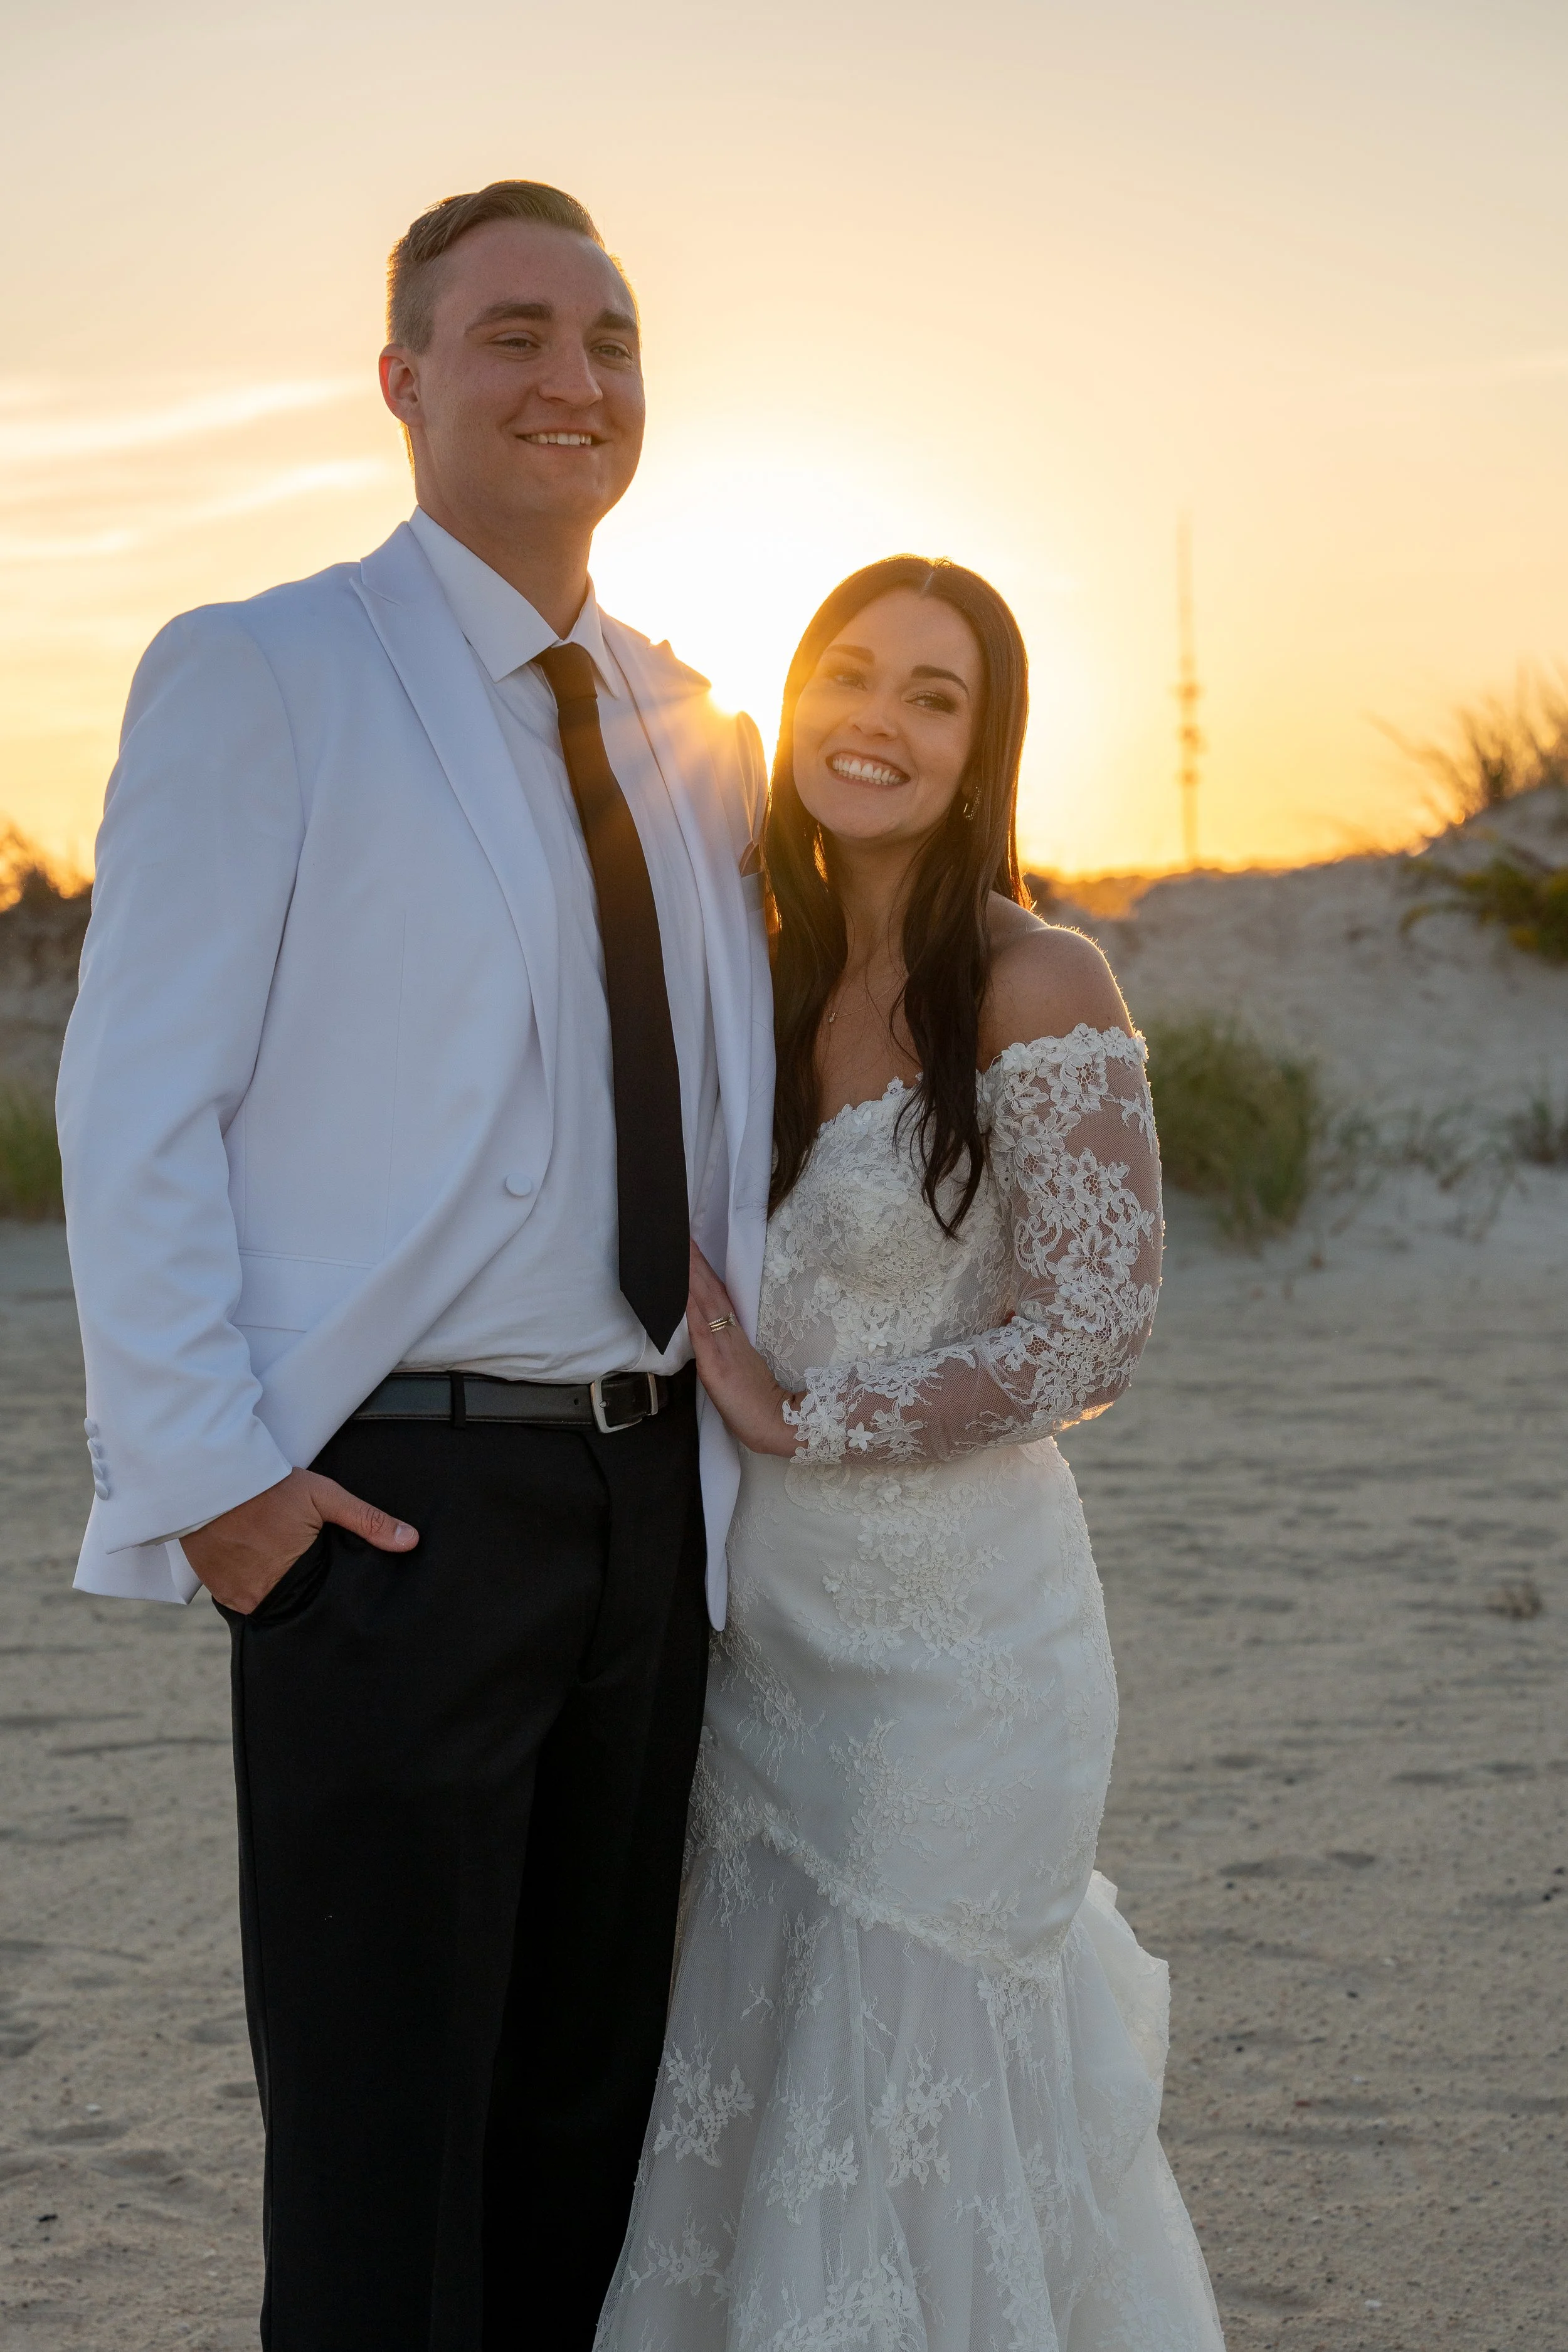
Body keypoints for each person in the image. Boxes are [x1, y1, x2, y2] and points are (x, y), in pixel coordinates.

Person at [56, 181, 773, 2350]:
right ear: (402, 381)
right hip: (392, 1506)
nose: (574, 381)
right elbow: (135, 1098)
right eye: (515, 336)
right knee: (382, 2166)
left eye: (613, 340)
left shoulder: (687, 722)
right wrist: (219, 1484)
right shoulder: (261, 670)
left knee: (580, 2129)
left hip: (654, 1506)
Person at [595, 558, 1226, 2349]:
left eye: (931, 697)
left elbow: (1095, 1326)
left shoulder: (1040, 980)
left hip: (966, 1657)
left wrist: (814, 1411)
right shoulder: (739, 974)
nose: (876, 720)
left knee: (913, 2091)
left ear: (981, 747)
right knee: (760, 2064)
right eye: (848, 675)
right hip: (761, 1647)